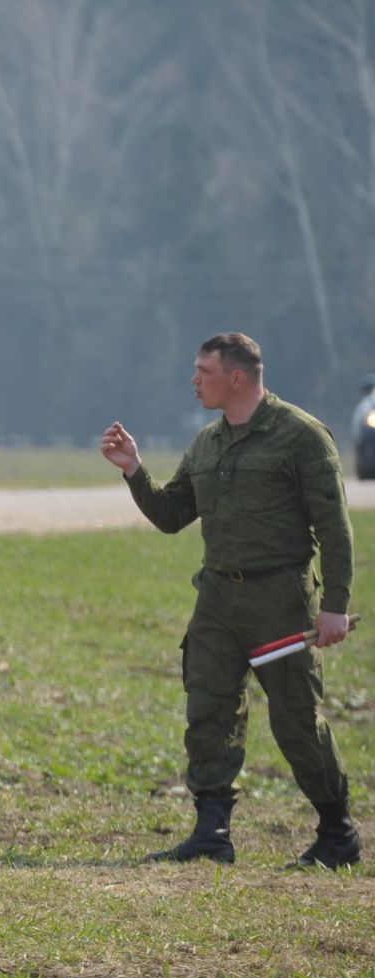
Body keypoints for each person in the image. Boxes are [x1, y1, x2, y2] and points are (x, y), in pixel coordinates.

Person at [103, 332, 361, 869]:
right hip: (218, 599)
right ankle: (211, 833)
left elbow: (335, 528)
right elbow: (173, 515)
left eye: (204, 371)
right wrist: (134, 470)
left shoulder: (302, 437)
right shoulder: (207, 442)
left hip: (280, 601)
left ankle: (338, 833)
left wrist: (334, 604)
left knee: (296, 721)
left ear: (237, 376)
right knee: (209, 712)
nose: (194, 380)